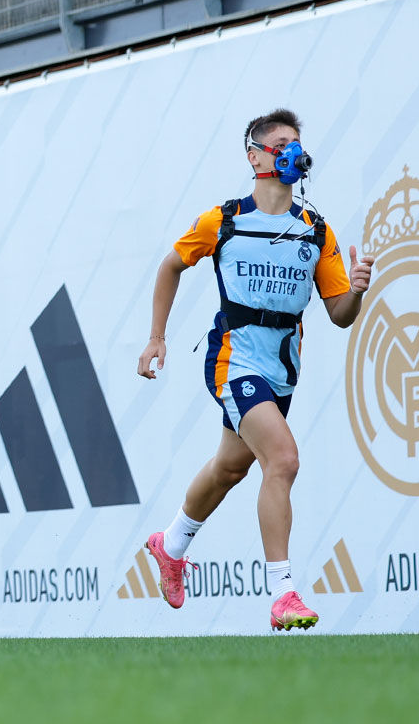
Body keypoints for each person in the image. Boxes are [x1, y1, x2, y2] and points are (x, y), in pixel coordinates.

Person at [135, 108, 373, 630]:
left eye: (297, 143)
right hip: (232, 359)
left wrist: (356, 291)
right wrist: (157, 338)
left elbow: (339, 316)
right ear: (255, 156)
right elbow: (171, 265)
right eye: (280, 143)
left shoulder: (315, 230)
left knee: (230, 468)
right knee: (283, 459)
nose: (292, 152)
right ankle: (283, 592)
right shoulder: (223, 220)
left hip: (282, 370)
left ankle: (170, 545)